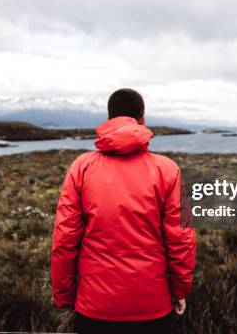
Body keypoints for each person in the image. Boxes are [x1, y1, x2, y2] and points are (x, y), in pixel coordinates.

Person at [51, 88, 197, 334]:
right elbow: (181, 240)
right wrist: (180, 290)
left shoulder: (81, 167)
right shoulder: (167, 170)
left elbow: (64, 239)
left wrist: (64, 295)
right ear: (142, 119)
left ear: (109, 120)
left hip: (94, 306)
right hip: (152, 305)